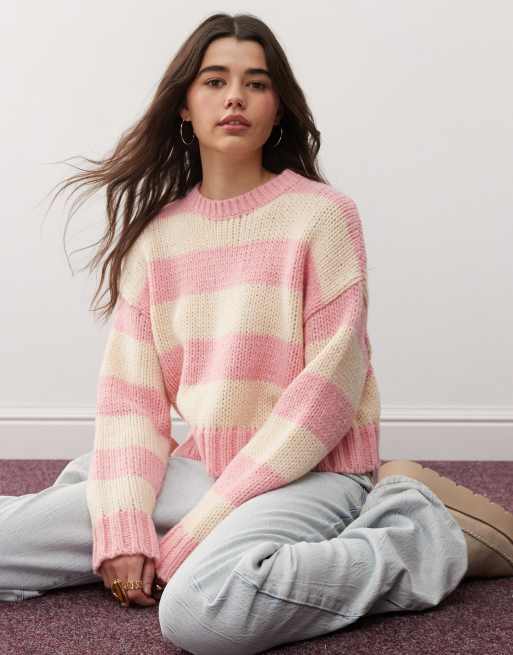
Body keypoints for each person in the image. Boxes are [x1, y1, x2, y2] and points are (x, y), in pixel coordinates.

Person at [1, 12, 512, 655]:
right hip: (200, 470)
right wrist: (123, 526)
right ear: (184, 105)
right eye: (215, 81)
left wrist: (202, 528)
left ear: (278, 107)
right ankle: (151, 519)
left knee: (201, 611)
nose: (236, 97)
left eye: (257, 83)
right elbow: (131, 403)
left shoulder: (322, 217)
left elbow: (325, 398)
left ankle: (420, 534)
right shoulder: (156, 239)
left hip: (311, 474)